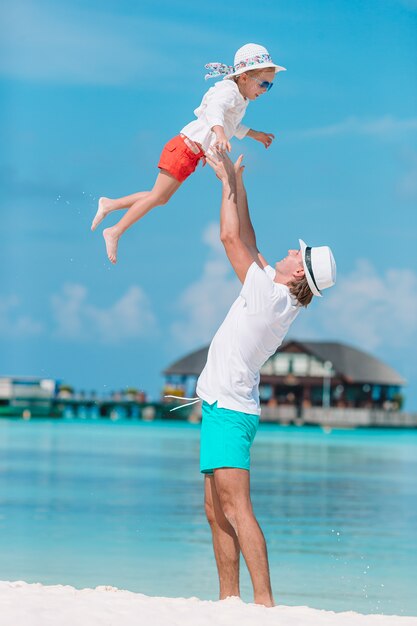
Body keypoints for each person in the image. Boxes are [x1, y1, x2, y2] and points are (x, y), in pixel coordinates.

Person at [197, 148, 336, 607]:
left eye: (300, 252)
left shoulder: (267, 298)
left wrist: (223, 184)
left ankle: (265, 603)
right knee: (217, 513)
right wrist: (240, 182)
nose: (293, 249)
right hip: (226, 406)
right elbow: (250, 238)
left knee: (236, 510)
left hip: (230, 411)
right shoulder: (278, 294)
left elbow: (229, 237)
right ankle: (228, 601)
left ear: (298, 272)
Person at [91, 43, 286, 263]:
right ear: (243, 78)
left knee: (160, 197)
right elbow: (216, 113)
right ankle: (115, 231)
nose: (265, 90)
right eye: (264, 84)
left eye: (269, 86)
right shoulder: (228, 91)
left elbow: (232, 124)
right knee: (157, 196)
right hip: (183, 148)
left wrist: (255, 134)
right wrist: (219, 134)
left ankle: (110, 204)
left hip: (190, 154)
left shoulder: (240, 98)